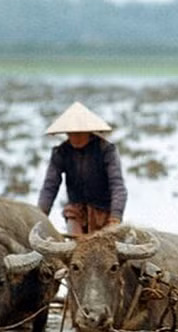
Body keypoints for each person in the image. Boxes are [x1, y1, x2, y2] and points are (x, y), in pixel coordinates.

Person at [38, 101, 127, 237]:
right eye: (71, 133)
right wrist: (40, 216)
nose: (75, 137)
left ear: (88, 131)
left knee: (107, 250)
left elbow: (117, 186)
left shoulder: (106, 150)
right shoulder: (61, 152)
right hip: (76, 212)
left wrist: (115, 218)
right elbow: (50, 187)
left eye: (79, 133)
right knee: (75, 247)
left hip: (104, 212)